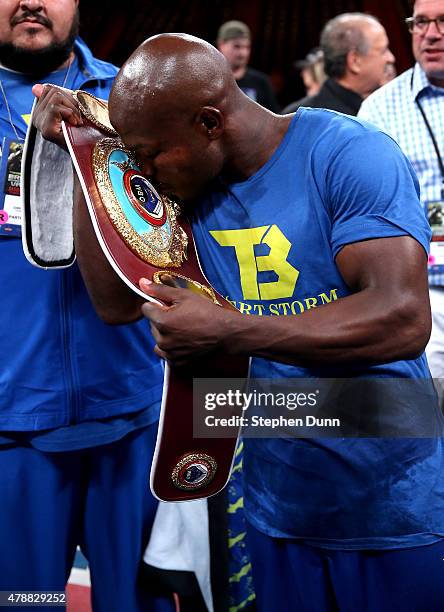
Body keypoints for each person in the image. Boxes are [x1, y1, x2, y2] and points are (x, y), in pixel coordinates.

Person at [33, 32, 444, 611]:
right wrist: (84, 157)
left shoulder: (348, 152)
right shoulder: (193, 187)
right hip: (276, 496)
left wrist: (229, 328)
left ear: (208, 122)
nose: (147, 169)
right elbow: (116, 305)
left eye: (153, 153)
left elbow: (401, 318)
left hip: (389, 492)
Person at [0, 2, 172, 611]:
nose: (29, 3)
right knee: (25, 604)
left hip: (131, 412)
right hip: (12, 424)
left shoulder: (136, 93)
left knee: (138, 602)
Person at [358, 0, 444, 407]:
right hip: (424, 295)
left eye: (443, 21)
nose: (430, 33)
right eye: (421, 22)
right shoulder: (378, 110)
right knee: (427, 420)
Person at [283, 12, 395, 115]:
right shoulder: (299, 121)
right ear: (355, 61)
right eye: (383, 51)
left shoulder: (389, 106)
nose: (391, 58)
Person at [216, 19, 280, 112]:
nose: (243, 53)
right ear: (221, 44)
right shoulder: (210, 79)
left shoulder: (261, 82)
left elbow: (274, 119)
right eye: (237, 46)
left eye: (247, 47)